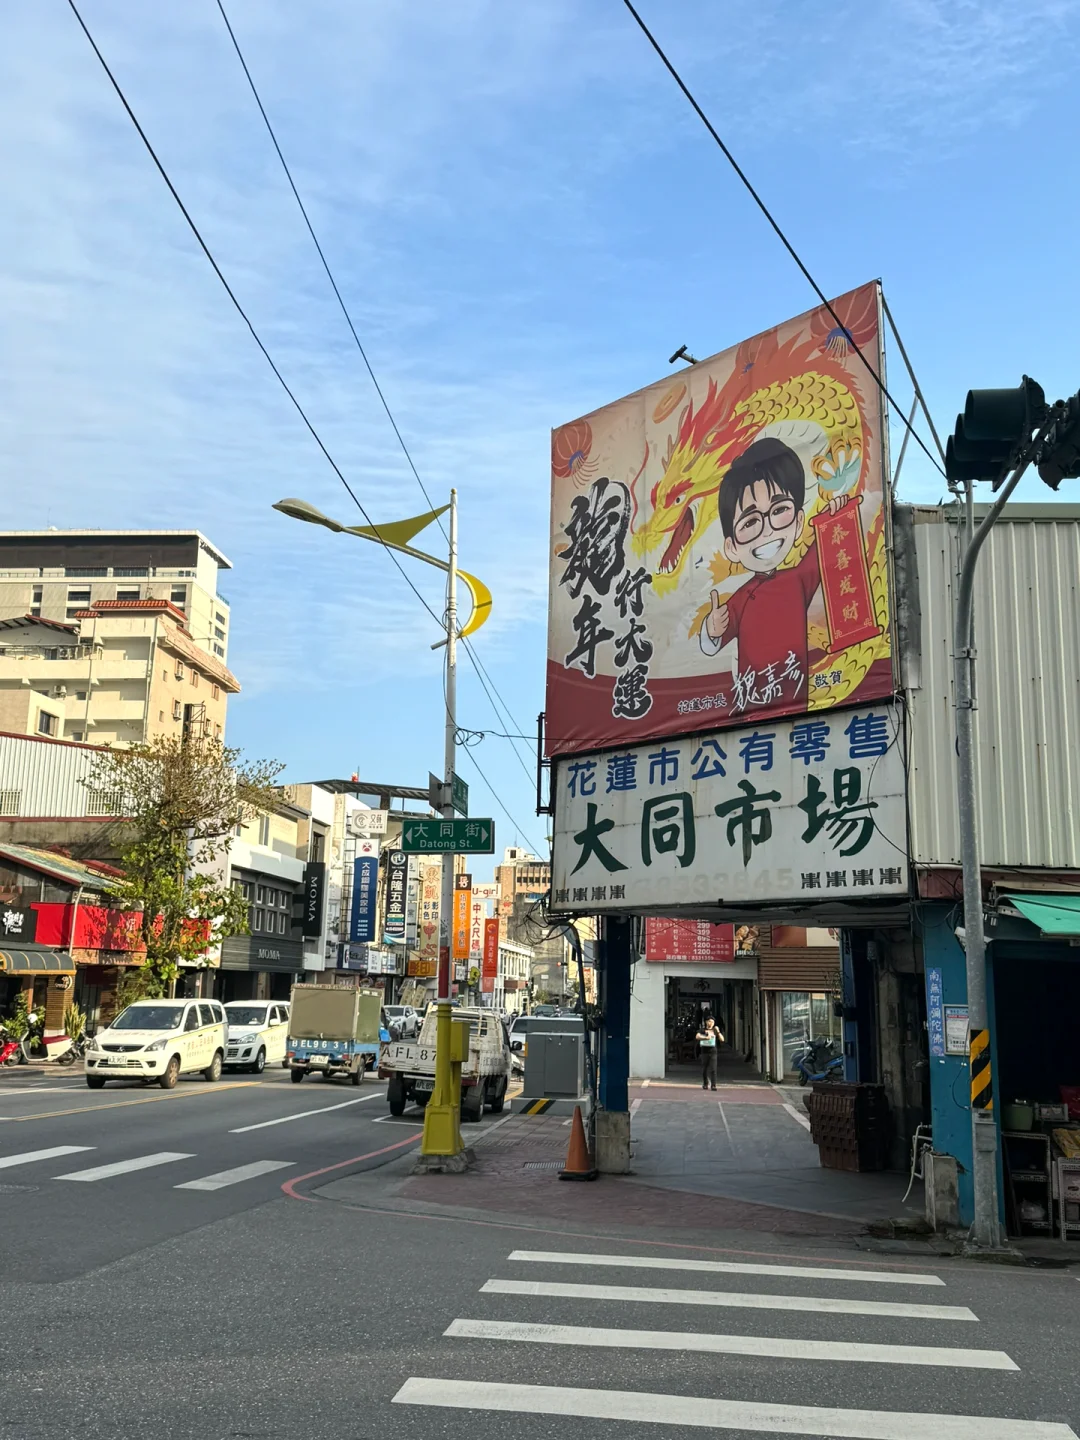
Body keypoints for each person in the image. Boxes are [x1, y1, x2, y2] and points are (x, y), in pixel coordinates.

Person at [699, 437, 847, 703]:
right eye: (750, 521)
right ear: (731, 546)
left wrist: (835, 518)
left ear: (799, 520)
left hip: (798, 699)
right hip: (753, 708)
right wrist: (712, 628)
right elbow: (714, 641)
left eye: (779, 510)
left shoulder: (797, 580)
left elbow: (821, 554)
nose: (767, 529)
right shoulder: (742, 598)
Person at [696, 1015, 723, 1091]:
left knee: (713, 1069)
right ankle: (705, 1083)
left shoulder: (715, 1030)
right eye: (709, 1021)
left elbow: (722, 1039)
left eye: (712, 1021)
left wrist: (718, 1032)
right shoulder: (702, 1030)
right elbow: (697, 1036)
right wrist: (705, 1038)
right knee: (704, 1068)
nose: (710, 1023)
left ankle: (713, 1085)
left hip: (713, 1051)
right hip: (704, 1051)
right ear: (706, 1022)